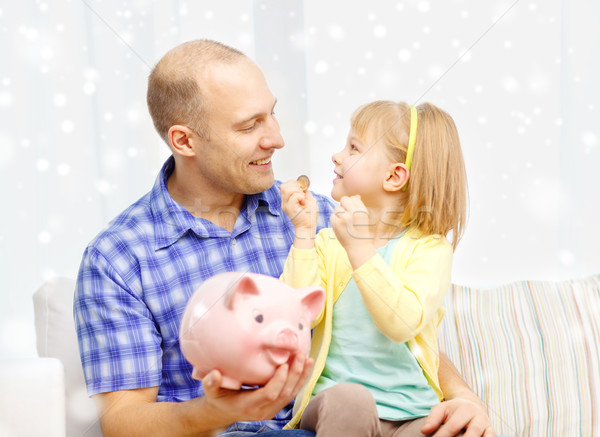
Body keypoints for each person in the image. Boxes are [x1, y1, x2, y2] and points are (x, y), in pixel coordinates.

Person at [73, 39, 496, 437]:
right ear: (185, 140)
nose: (276, 138)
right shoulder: (118, 258)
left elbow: (389, 326)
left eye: (271, 113)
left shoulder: (326, 217)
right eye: (249, 125)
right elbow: (122, 420)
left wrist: (463, 396)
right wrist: (218, 410)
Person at [279, 100, 484, 436]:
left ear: (393, 176)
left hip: (414, 413)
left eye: (354, 147)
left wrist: (359, 249)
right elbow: (296, 318)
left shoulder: (430, 249)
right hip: (339, 408)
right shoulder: (329, 242)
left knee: (456, 431)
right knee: (350, 400)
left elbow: (402, 324)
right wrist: (303, 232)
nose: (337, 155)